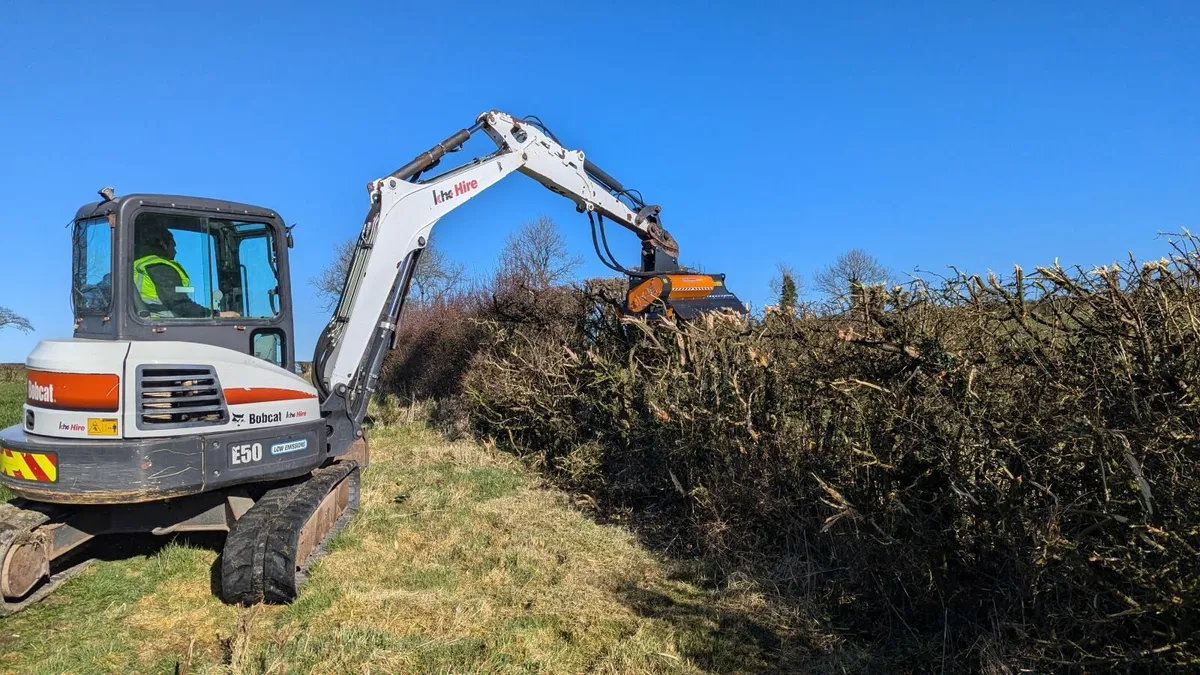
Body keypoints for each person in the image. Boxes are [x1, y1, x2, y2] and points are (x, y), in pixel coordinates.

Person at [133, 221, 238, 318]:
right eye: (173, 246)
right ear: (163, 244)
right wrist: (216, 314)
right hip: (166, 326)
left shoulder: (137, 265)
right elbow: (180, 305)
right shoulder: (160, 267)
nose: (175, 251)